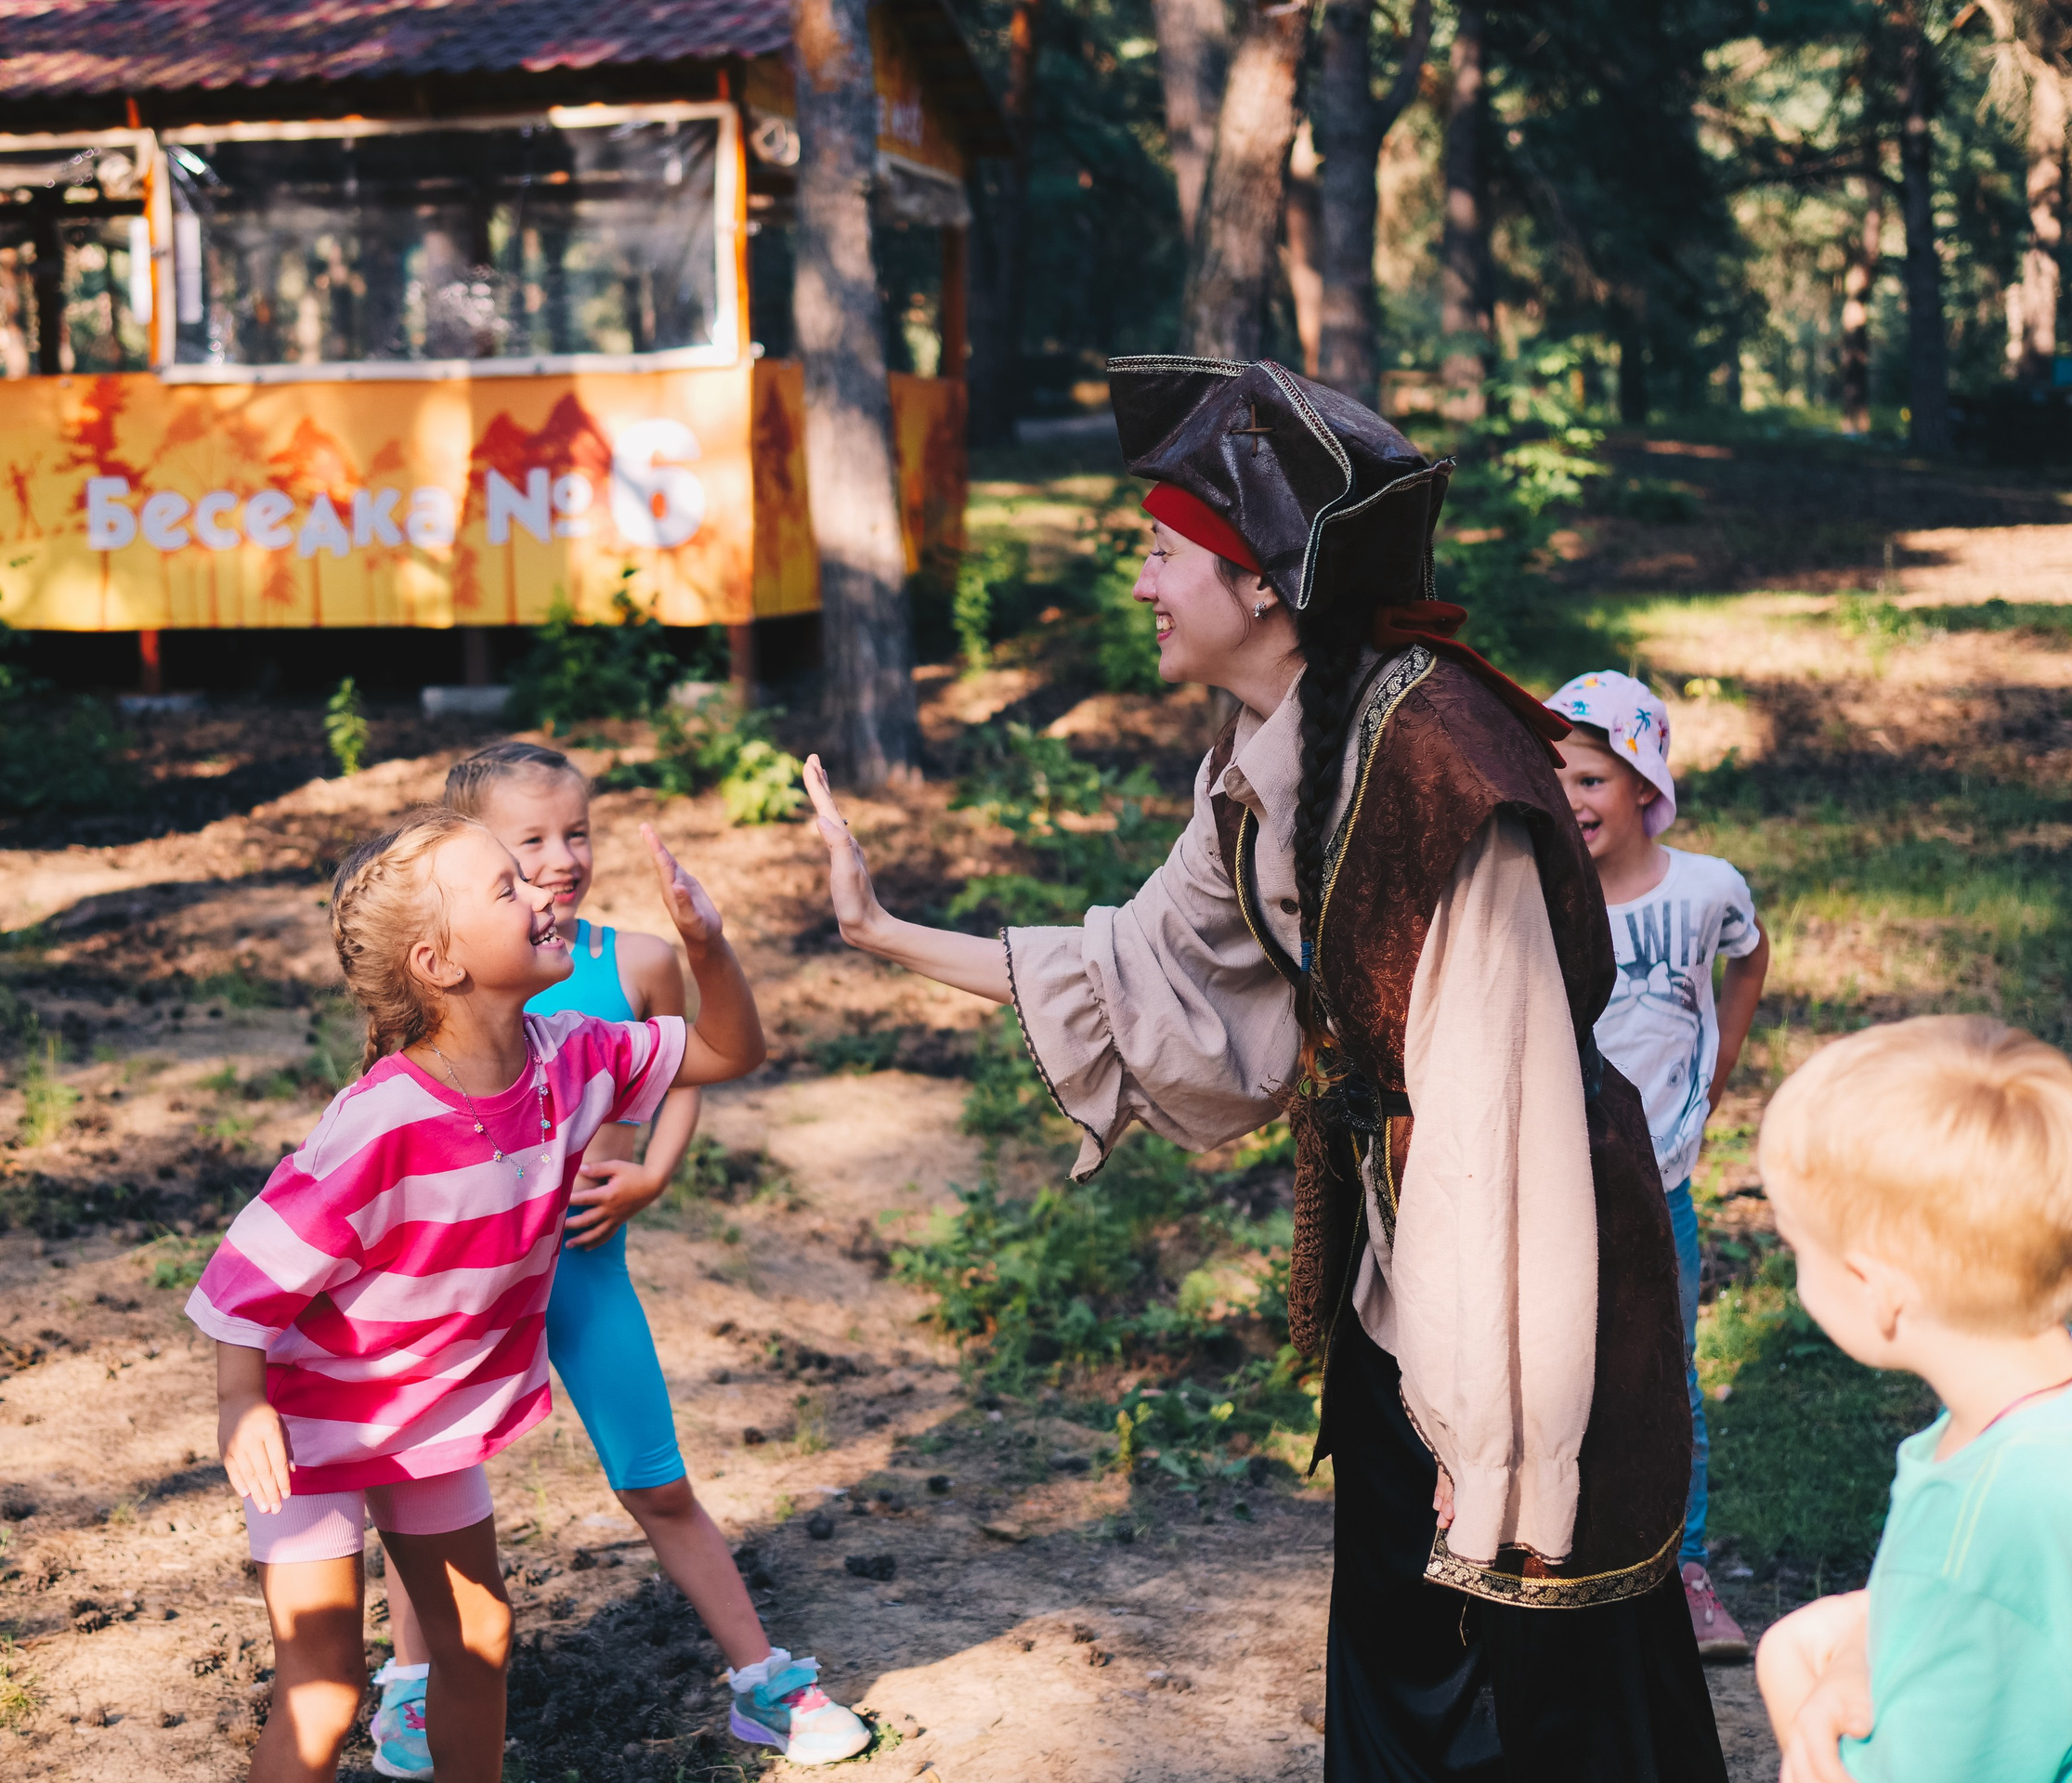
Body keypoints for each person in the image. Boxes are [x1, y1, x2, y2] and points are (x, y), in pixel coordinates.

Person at [803, 356, 1726, 1778]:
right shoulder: (1268, 748)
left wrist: (1498, 1453)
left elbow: (1499, 1119)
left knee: (1536, 1646)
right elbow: (1142, 964)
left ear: (1262, 585)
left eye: (1163, 552)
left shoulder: (1434, 762)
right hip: (1403, 1254)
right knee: (1401, 1628)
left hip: (1524, 1279)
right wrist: (883, 932)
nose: (1142, 584)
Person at [187, 807, 765, 1783]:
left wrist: (707, 947)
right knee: (323, 1691)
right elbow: (247, 1274)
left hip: (431, 1418)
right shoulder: (380, 1125)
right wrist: (241, 1401)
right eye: (507, 886)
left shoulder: (574, 1055)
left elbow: (728, 1053)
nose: (543, 892)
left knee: (478, 1639)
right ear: (440, 963)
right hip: (313, 1426)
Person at [358, 742, 872, 1779]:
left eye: (577, 832)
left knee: (657, 1477)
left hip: (584, 1275)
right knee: (433, 1483)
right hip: (462, 1296)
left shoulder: (628, 964)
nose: (560, 858)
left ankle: (761, 1681)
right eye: (526, 843)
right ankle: (410, 1692)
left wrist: (652, 1171)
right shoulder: (446, 996)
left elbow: (694, 1062)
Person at [1753, 1016, 2072, 1783]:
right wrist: (1861, 1648)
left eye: (1797, 1247)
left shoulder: (1979, 1523)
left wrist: (1793, 1669)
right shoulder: (2018, 1433)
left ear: (1876, 1287)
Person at [1546, 671, 1771, 1660]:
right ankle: (1558, 1556)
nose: (1568, 799)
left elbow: (1748, 956)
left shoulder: (1705, 889)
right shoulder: (1540, 902)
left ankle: (1684, 1570)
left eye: (1590, 777)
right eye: (1551, 775)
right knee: (1553, 1368)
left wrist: (1721, 1061)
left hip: (1663, 1186)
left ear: (1642, 784)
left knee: (1666, 1374)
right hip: (1553, 1185)